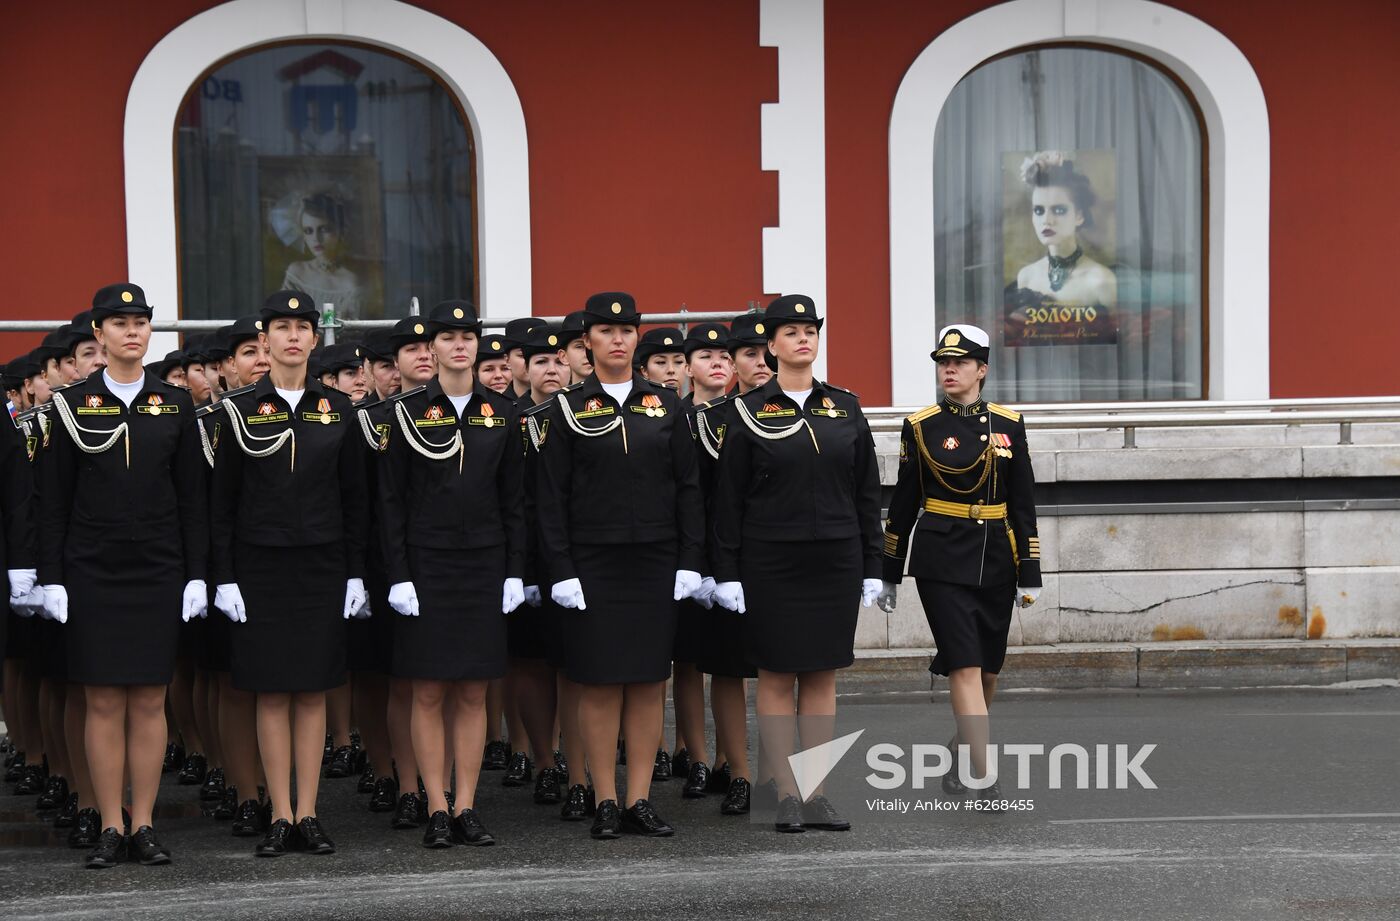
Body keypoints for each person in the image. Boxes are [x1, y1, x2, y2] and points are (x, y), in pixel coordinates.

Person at [38, 282, 208, 868]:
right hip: (93, 569)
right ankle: (110, 822)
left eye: (141, 322)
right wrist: (52, 576)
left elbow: (192, 498)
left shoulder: (175, 403)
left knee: (149, 701)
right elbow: (53, 500)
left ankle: (145, 823)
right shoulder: (69, 405)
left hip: (159, 568)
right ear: (98, 333)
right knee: (104, 701)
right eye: (120, 322)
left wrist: (196, 574)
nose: (132, 331)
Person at [710, 294, 883, 834]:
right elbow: (728, 502)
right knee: (777, 678)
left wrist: (872, 564)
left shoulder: (845, 407)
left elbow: (864, 492)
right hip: (771, 559)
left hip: (834, 558)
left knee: (822, 677)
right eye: (791, 332)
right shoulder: (747, 411)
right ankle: (786, 793)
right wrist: (728, 572)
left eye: (810, 330)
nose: (803, 338)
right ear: (771, 345)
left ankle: (818, 793)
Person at [535, 292, 706, 839]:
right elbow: (550, 497)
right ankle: (604, 798)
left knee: (648, 682)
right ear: (586, 342)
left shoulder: (667, 405)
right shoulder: (565, 409)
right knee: (599, 682)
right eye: (605, 331)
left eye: (626, 330)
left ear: (636, 338)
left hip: (656, 560)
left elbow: (688, 488)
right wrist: (560, 568)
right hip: (593, 562)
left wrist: (689, 560)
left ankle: (638, 800)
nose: (616, 339)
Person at [210, 290, 368, 857]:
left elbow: (356, 501)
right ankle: (279, 811)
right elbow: (222, 504)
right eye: (283, 327)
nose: (295, 336)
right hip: (260, 566)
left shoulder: (338, 410)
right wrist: (223, 575)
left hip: (322, 565)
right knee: (273, 694)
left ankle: (310, 812)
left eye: (304, 326)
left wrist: (355, 574)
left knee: (313, 692)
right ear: (266, 340)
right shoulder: (238, 410)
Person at [379, 299, 525, 847]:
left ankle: (466, 803)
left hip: (484, 563)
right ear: (431, 349)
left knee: (472, 692)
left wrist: (515, 572)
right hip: (427, 564)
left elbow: (515, 503)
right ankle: (435, 804)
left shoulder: (501, 414)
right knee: (428, 691)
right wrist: (398, 575)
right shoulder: (405, 413)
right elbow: (390, 503)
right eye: (448, 337)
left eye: (469, 336)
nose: (460, 344)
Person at [876, 324, 1041, 809]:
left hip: (996, 555)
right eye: (943, 363)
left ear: (981, 370)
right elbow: (903, 503)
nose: (949, 370)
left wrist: (1029, 570)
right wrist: (890, 569)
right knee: (965, 665)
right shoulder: (921, 425)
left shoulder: (1009, 424)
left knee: (989, 668)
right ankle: (984, 775)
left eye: (960, 363)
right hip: (940, 557)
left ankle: (961, 746)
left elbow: (1024, 503)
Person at [1012, 151, 1116, 309]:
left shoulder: (1101, 281)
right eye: (1039, 211)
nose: (1047, 220)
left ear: (1079, 216)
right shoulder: (1026, 277)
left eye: (1059, 210)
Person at [281, 193, 364, 318]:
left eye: (324, 229)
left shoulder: (351, 281)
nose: (316, 238)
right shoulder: (297, 272)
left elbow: (352, 329)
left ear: (340, 231)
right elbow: (284, 318)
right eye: (308, 231)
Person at [503, 318, 545, 402]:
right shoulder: (497, 407)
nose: (529, 362)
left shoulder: (566, 403)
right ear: (507, 360)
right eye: (522, 355)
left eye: (540, 359)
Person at [557, 311, 592, 384]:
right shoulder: (561, 396)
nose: (587, 353)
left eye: (593, 345)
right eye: (579, 346)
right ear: (564, 356)